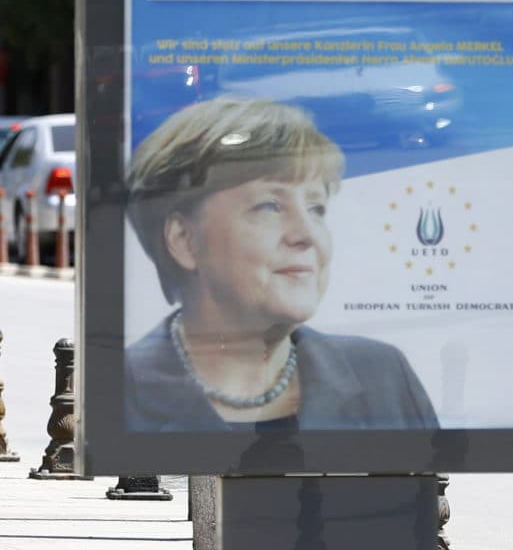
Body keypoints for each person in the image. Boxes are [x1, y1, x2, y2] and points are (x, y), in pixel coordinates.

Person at [124, 96, 439, 432]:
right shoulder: (119, 392)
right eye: (269, 206)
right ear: (184, 239)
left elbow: (424, 485)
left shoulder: (384, 375)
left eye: (316, 209)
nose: (307, 235)